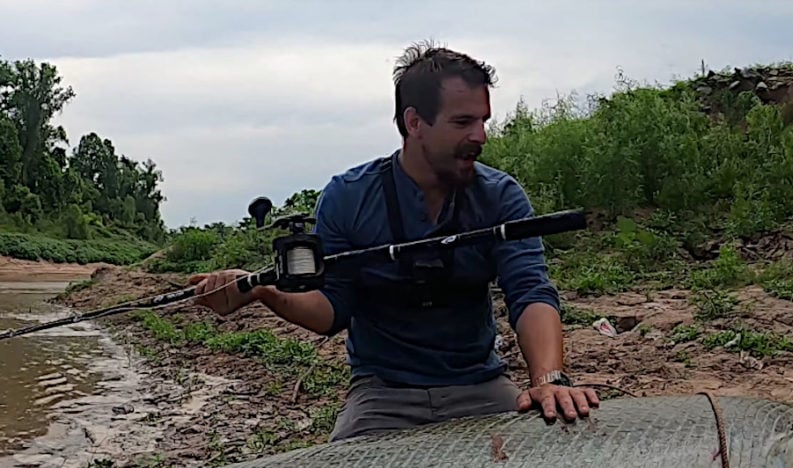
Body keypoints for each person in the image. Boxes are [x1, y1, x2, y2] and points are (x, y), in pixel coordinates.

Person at [189, 41, 600, 441]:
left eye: (483, 121)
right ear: (415, 122)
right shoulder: (347, 197)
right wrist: (262, 290)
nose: (481, 136)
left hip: (481, 386)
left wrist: (549, 379)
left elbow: (530, 293)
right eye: (463, 123)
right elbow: (331, 311)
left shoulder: (502, 196)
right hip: (382, 395)